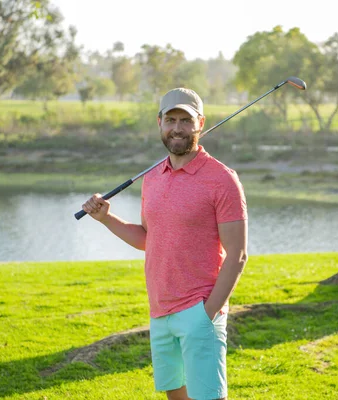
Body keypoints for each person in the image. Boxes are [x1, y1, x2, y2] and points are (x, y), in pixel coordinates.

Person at [81, 87, 248, 400]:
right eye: (171, 119)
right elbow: (149, 239)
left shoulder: (222, 179)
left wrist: (207, 313)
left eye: (185, 120)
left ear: (201, 122)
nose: (177, 128)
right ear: (159, 123)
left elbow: (237, 256)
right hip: (160, 311)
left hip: (199, 310)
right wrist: (106, 218)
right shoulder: (153, 177)